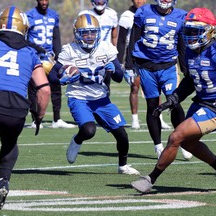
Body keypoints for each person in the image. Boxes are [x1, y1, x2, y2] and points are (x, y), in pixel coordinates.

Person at [131, 7, 216, 193]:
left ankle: (150, 179)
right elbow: (190, 80)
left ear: (209, 31)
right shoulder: (191, 52)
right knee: (187, 143)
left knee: (175, 136)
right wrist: (173, 99)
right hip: (202, 102)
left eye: (195, 32)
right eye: (188, 31)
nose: (190, 36)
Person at [0, 6, 50, 209]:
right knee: (9, 143)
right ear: (23, 28)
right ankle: (3, 180)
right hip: (16, 109)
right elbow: (44, 90)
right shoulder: (31, 52)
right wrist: (39, 116)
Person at [48, 14, 140, 175]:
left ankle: (123, 166)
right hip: (79, 97)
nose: (90, 37)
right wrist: (62, 80)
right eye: (85, 33)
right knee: (89, 130)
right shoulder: (69, 51)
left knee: (122, 134)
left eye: (92, 32)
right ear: (78, 34)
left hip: (101, 98)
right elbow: (52, 76)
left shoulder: (106, 48)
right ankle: (77, 140)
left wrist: (114, 70)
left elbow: (118, 78)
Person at [125, 0, 193, 160]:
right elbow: (133, 39)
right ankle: (158, 145)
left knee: (174, 102)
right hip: (146, 66)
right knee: (153, 105)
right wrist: (128, 64)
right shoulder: (143, 12)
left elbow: (182, 44)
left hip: (168, 66)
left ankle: (183, 141)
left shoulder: (180, 16)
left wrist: (186, 69)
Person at [117, 0, 171, 130]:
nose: (139, 1)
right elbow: (122, 40)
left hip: (150, 55)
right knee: (135, 87)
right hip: (134, 55)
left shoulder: (152, 12)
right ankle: (135, 118)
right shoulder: (126, 16)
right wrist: (120, 61)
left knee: (156, 89)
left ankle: (159, 117)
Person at [27, 0, 75, 128]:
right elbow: (24, 38)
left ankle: (57, 119)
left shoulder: (54, 15)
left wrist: (59, 56)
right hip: (35, 56)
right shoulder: (29, 15)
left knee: (56, 85)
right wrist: (36, 48)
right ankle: (35, 119)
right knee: (34, 88)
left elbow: (56, 37)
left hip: (50, 57)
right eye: (41, 0)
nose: (44, 2)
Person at [79, 0, 119, 95]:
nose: (100, 2)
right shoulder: (85, 14)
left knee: (108, 83)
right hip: (89, 52)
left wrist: (115, 53)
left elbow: (114, 36)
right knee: (89, 82)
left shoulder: (112, 14)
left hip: (106, 52)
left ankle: (104, 104)